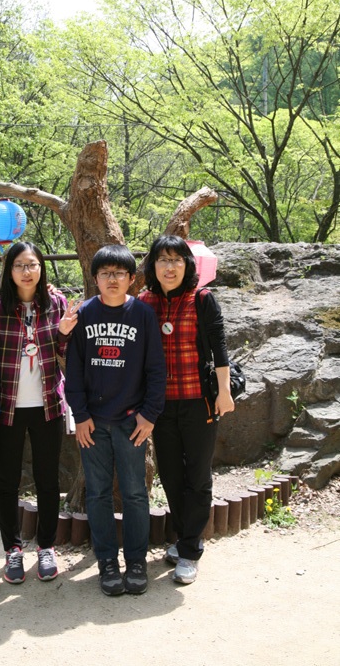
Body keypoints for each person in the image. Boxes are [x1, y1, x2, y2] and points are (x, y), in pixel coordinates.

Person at [65, 244, 166, 596]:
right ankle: (107, 561)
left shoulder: (142, 315)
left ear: (131, 279)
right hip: (92, 423)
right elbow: (73, 370)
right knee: (97, 494)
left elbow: (156, 369)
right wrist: (80, 415)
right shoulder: (84, 314)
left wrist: (149, 415)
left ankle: (136, 561)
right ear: (95, 278)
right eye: (105, 273)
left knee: (135, 493)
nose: (112, 279)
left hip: (131, 422)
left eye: (119, 273)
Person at [138, 234, 234, 585]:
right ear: (153, 266)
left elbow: (219, 347)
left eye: (177, 259)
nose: (170, 266)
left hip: (199, 401)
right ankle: (183, 538)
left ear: (187, 265)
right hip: (160, 405)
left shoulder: (202, 299)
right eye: (163, 259)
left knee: (197, 475)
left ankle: (191, 550)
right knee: (171, 475)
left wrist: (224, 392)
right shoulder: (144, 302)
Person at [0, 242, 81, 584]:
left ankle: (46, 546)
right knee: (8, 480)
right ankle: (12, 549)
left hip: (48, 404)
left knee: (47, 479)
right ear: (9, 271)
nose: (26, 272)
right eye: (19, 265)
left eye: (32, 265)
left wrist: (64, 333)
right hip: (7, 406)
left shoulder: (56, 303)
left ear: (41, 268)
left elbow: (65, 351)